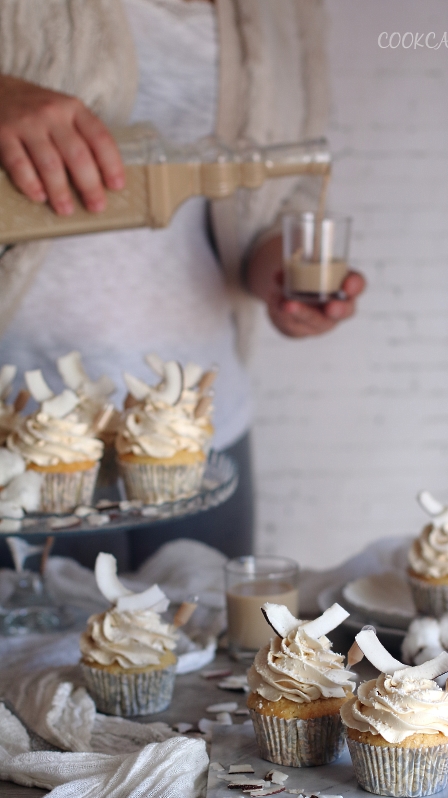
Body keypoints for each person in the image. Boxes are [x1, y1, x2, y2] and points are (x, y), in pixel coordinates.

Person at [0, 0, 364, 570]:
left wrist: (278, 269)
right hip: (18, 427)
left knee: (207, 653)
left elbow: (281, 188)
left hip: (199, 431)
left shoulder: (286, 9)